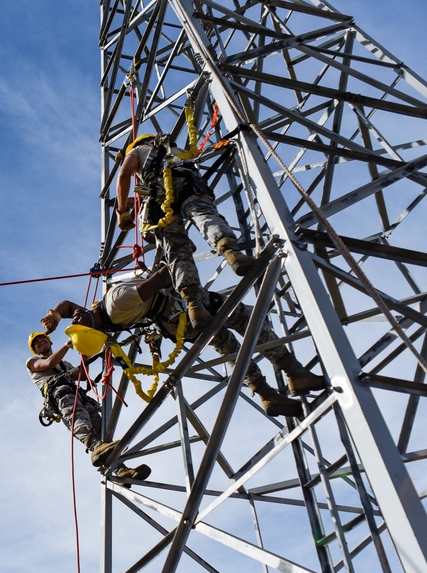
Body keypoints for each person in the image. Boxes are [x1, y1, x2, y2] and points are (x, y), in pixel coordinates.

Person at [41, 269, 325, 418]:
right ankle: (295, 373)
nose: (74, 315)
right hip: (187, 308)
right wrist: (173, 258)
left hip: (176, 325)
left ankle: (264, 391)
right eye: (77, 320)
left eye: (74, 319)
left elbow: (68, 307)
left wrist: (54, 314)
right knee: (245, 317)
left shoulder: (102, 324)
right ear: (90, 325)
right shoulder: (114, 303)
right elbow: (160, 280)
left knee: (228, 346)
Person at [115, 133, 256, 330]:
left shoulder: (138, 151)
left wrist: (122, 210)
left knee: (176, 250)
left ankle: (194, 305)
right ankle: (232, 253)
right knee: (204, 216)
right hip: (188, 183)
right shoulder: (176, 151)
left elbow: (123, 175)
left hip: (159, 195)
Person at [26, 331, 151, 480]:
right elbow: (48, 364)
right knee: (79, 420)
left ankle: (120, 470)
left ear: (50, 342)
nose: (40, 342)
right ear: (35, 350)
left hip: (80, 396)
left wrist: (85, 355)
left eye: (42, 339)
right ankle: (95, 447)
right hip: (62, 395)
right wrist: (67, 345)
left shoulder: (64, 364)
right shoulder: (32, 362)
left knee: (101, 428)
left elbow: (83, 376)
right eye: (36, 343)